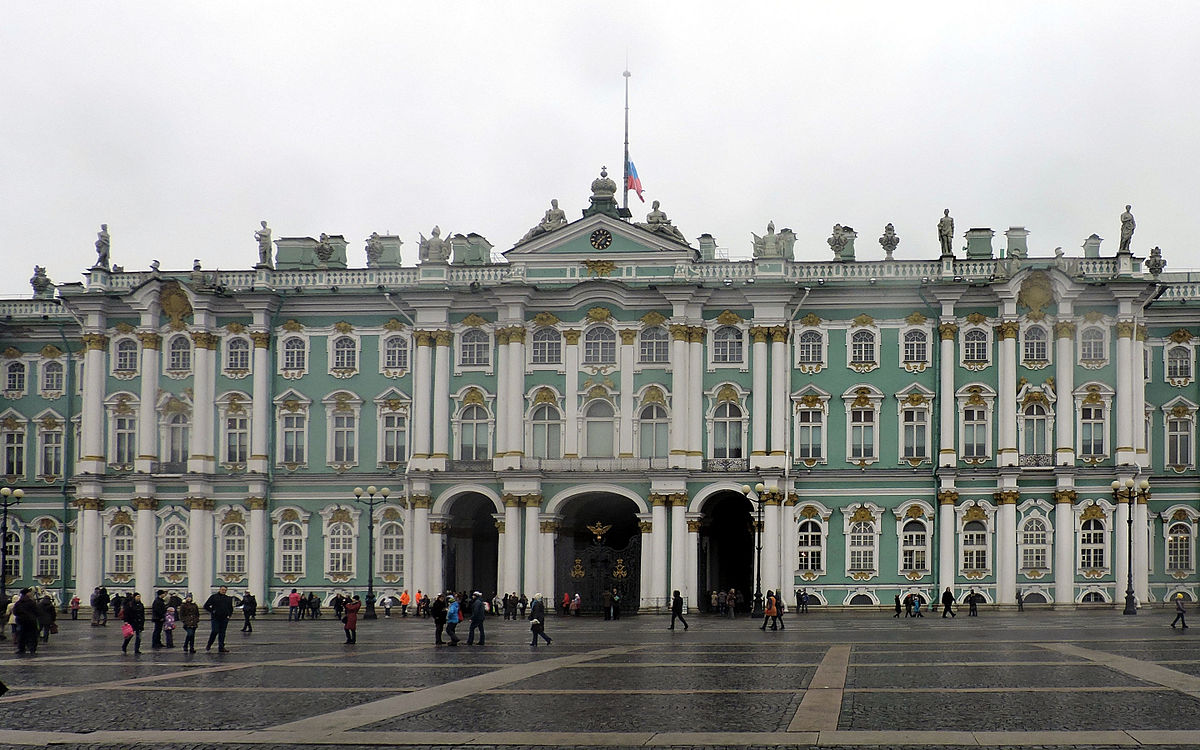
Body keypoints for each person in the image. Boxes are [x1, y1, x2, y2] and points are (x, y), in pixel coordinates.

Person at [204, 585, 235, 652]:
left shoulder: (228, 598)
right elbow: (206, 606)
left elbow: (230, 608)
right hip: (215, 618)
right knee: (215, 631)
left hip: (224, 618)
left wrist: (229, 615)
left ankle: (221, 647)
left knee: (222, 633)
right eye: (222, 590)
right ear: (219, 589)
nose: (223, 591)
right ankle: (209, 644)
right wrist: (212, 611)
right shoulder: (214, 597)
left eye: (225, 590)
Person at [13, 589, 40, 654]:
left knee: (21, 636)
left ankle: (21, 649)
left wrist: (20, 616)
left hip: (21, 622)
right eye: (29, 592)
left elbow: (15, 612)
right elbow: (37, 611)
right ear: (26, 594)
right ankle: (32, 649)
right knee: (32, 636)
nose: (30, 593)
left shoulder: (18, 603)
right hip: (31, 622)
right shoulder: (31, 602)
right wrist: (33, 616)